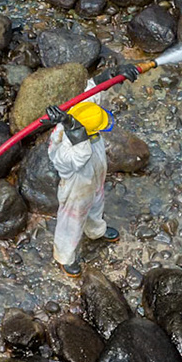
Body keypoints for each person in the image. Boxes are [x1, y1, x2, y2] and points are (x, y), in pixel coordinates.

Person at [48, 98, 120, 276]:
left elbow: (90, 94)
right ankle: (65, 257)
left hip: (94, 182)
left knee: (96, 207)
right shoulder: (64, 150)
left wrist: (109, 77)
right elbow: (82, 153)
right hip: (76, 192)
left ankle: (96, 231)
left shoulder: (80, 114)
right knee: (71, 223)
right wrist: (73, 127)